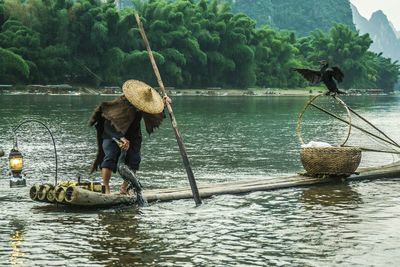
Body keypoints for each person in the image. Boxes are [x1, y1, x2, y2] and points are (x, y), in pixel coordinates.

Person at [89, 80, 171, 194]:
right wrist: (121, 138)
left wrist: (163, 105)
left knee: (134, 160)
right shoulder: (121, 103)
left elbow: (154, 114)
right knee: (110, 157)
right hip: (112, 133)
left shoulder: (143, 107)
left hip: (133, 135)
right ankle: (106, 188)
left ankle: (124, 188)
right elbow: (108, 122)